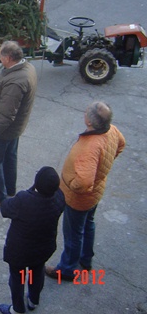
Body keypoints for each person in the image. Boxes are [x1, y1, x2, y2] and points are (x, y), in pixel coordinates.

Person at [45, 101, 125, 281]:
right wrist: (104, 167)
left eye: (87, 112)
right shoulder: (111, 130)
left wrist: (70, 183)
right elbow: (121, 144)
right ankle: (86, 259)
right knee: (88, 224)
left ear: (89, 122)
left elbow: (83, 182)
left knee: (73, 234)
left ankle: (66, 270)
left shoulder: (89, 147)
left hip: (78, 200)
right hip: (96, 193)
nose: (85, 113)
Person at [0, 41, 37, 207]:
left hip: (3, 131)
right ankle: (9, 189)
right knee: (9, 157)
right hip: (14, 129)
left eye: (1, 55)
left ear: (9, 58)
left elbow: (5, 116)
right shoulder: (26, 68)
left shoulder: (15, 82)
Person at [0, 167, 65, 314]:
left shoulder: (24, 199)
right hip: (43, 249)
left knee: (18, 277)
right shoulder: (60, 197)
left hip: (20, 252)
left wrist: (29, 190)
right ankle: (33, 300)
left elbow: (5, 209)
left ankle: (17, 308)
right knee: (37, 271)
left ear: (37, 184)